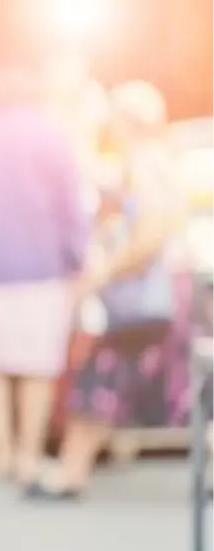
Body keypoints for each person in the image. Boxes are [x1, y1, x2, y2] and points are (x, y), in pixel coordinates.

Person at [29, 80, 188, 500]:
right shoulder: (155, 161)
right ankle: (71, 470)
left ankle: (70, 472)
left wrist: (106, 272)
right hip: (159, 294)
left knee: (100, 380)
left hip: (144, 295)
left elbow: (150, 232)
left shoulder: (145, 163)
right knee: (176, 387)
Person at [0, 64, 88, 485]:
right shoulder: (53, 137)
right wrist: (76, 259)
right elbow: (71, 207)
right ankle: (28, 454)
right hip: (41, 266)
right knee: (36, 366)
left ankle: (0, 453)